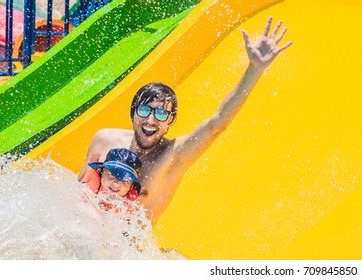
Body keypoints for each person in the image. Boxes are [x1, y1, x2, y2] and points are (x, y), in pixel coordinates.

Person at [78, 16, 292, 225]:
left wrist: (253, 70)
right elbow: (79, 189)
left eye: (162, 114)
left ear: (171, 121)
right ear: (133, 113)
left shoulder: (173, 156)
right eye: (145, 110)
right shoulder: (104, 140)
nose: (151, 120)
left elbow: (217, 124)